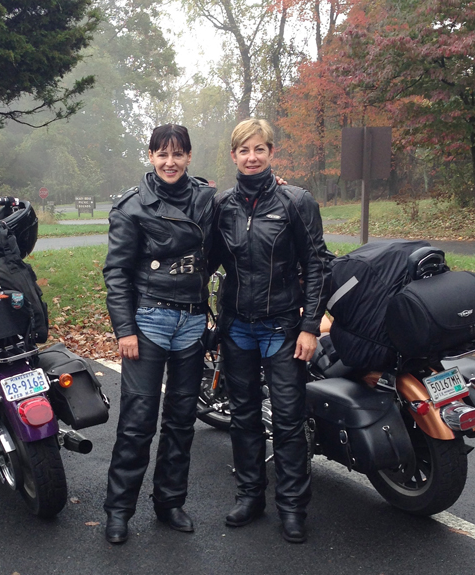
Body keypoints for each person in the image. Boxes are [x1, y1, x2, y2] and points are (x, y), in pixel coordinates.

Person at [210, 118, 332, 544]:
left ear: (271, 152)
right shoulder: (222, 205)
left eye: (259, 149)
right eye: (244, 150)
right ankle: (249, 496)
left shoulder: (296, 201)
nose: (252, 157)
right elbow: (206, 260)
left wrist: (310, 326)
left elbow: (317, 264)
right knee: (242, 417)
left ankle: (293, 508)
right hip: (237, 326)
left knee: (288, 419)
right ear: (234, 155)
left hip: (282, 327)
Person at [102, 124, 216, 545]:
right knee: (137, 422)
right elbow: (116, 272)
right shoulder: (132, 207)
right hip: (148, 321)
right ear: (150, 156)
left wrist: (275, 185)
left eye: (178, 154)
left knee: (182, 421)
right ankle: (118, 511)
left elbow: (235, 221)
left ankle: (170, 503)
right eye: (162, 154)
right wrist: (125, 329)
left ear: (188, 157)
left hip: (191, 322)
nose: (170, 162)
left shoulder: (207, 199)